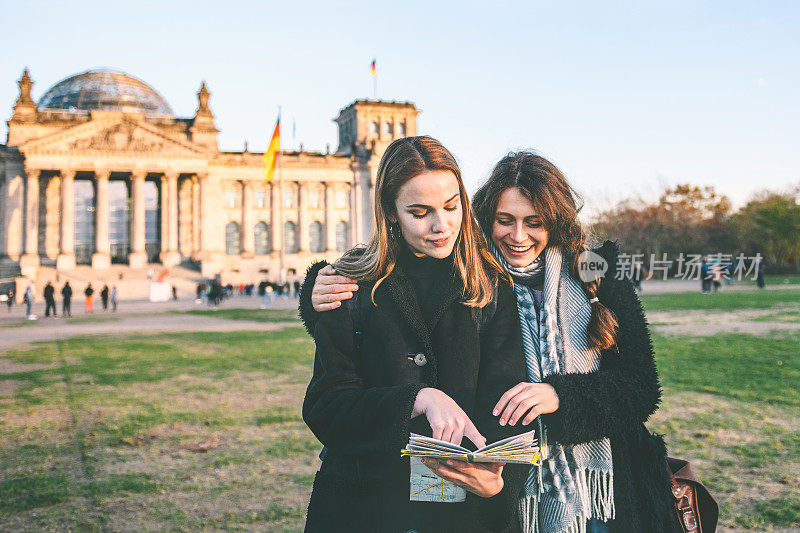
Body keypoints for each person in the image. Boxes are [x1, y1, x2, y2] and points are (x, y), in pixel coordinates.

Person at [305, 151, 676, 532]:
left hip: (598, 483)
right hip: (505, 493)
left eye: (535, 222)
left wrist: (560, 396)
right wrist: (317, 292)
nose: (518, 236)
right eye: (505, 220)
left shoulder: (593, 271)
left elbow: (641, 386)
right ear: (484, 215)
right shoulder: (477, 275)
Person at [299, 137, 529, 532]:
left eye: (452, 207)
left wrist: (497, 483)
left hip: (463, 512)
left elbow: (504, 402)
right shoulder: (348, 283)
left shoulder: (491, 284)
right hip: (364, 508)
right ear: (390, 211)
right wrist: (417, 399)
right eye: (421, 213)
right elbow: (326, 406)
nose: (442, 227)